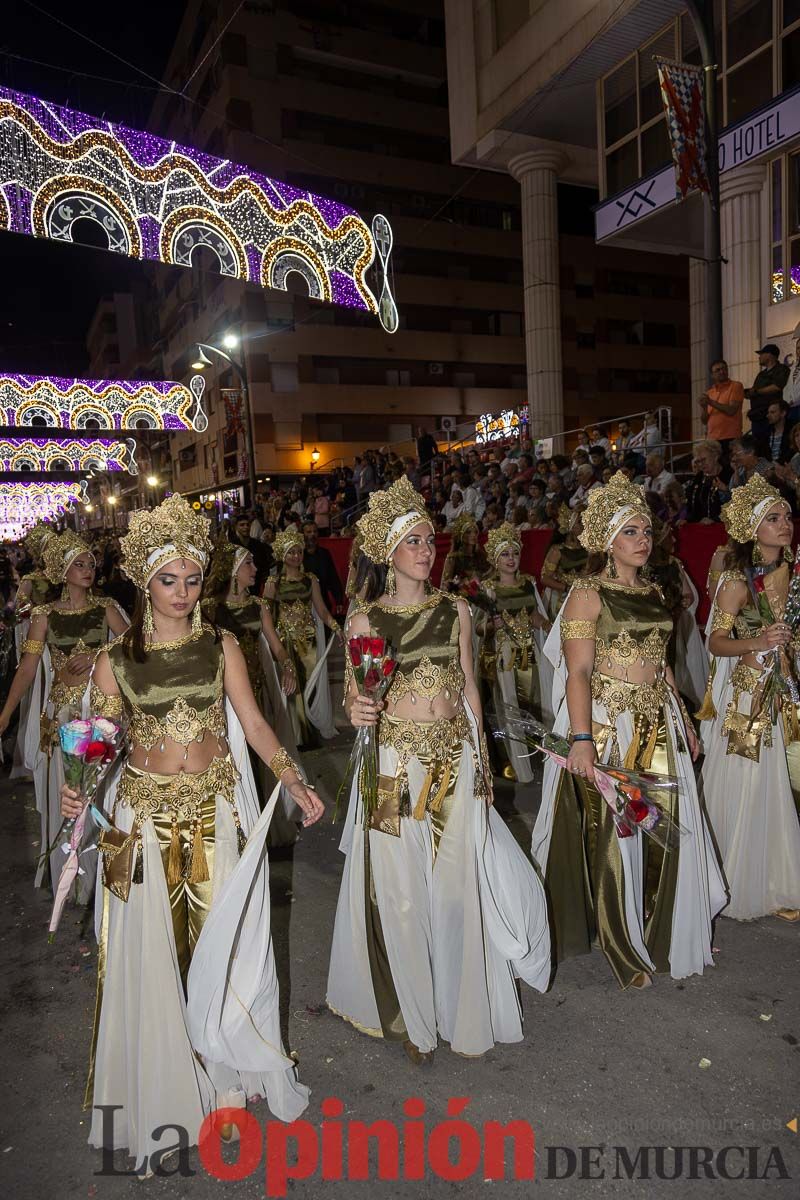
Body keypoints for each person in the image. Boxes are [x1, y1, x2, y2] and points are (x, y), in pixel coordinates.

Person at [58, 494, 322, 1169]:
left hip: (213, 814)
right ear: (145, 581)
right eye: (168, 580)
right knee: (150, 953)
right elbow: (100, 742)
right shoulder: (116, 658)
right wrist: (77, 789)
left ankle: (224, 1078)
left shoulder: (220, 644)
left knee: (219, 945)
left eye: (193, 579)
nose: (182, 593)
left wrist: (291, 778)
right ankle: (173, 1080)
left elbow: (256, 724)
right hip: (139, 820)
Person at [327, 478, 551, 1062]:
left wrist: (481, 763)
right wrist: (356, 710)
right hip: (393, 764)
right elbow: (354, 701)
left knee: (457, 889)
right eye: (413, 541)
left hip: (454, 757)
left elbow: (472, 691)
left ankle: (461, 1004)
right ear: (388, 552)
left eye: (430, 539)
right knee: (400, 892)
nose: (426, 550)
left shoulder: (456, 611)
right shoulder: (365, 621)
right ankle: (414, 1012)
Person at [532, 472, 726, 989]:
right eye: (630, 533)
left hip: (656, 719)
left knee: (664, 828)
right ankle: (621, 946)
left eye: (646, 531)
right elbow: (575, 671)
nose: (643, 541)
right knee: (619, 835)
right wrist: (581, 740)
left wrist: (684, 721)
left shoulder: (658, 592)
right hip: (611, 724)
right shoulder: (587, 593)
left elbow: (663, 667)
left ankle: (658, 929)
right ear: (607, 543)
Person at [0, 532, 129, 892]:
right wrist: (6, 713)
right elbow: (27, 668)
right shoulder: (43, 614)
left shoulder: (105, 608)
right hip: (62, 717)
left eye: (90, 563)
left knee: (100, 790)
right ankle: (72, 878)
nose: (88, 570)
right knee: (68, 794)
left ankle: (103, 877)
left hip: (99, 712)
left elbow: (133, 648)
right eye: (79, 564)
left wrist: (98, 655)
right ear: (63, 571)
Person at [700, 476, 800, 921]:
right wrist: (757, 641)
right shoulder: (737, 582)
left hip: (786, 691)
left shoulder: (793, 578)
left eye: (787, 517)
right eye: (774, 519)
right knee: (750, 783)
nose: (786, 525)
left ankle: (778, 878)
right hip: (749, 696)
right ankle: (738, 881)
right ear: (753, 529)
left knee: (780, 783)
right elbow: (716, 642)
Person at [202, 539, 303, 847]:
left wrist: (287, 666)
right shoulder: (209, 610)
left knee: (262, 760)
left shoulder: (259, 607)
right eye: (248, 564)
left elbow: (275, 646)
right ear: (233, 570)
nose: (254, 569)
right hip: (224, 700)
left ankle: (266, 825)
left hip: (256, 693)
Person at [476, 523, 552, 781]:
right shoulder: (489, 588)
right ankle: (516, 761)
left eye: (515, 553)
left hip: (530, 652)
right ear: (495, 559)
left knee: (537, 700)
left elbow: (533, 614)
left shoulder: (528, 583)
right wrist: (490, 625)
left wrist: (545, 623)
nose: (511, 559)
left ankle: (542, 754)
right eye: (505, 554)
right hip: (505, 654)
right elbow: (477, 627)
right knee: (509, 703)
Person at [264, 528, 341, 748]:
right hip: (285, 642)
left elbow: (322, 609)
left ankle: (310, 732)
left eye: (299, 552)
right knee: (293, 688)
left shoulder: (311, 580)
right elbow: (266, 615)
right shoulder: (273, 583)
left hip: (309, 642)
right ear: (282, 555)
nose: (296, 556)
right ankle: (299, 737)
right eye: (291, 553)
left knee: (311, 686)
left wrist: (336, 626)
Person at [540, 509, 589, 620]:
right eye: (580, 522)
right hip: (561, 599)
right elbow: (544, 578)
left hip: (583, 597)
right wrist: (566, 588)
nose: (584, 526)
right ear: (569, 526)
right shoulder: (557, 551)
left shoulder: (587, 550)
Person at [698, 359, 744, 459]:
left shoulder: (736, 386)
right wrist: (704, 407)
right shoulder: (709, 392)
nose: (722, 372)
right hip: (712, 440)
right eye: (718, 370)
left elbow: (731, 410)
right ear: (712, 375)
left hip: (731, 437)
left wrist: (710, 402)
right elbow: (704, 421)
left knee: (730, 468)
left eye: (724, 369)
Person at [745, 344, 791, 444]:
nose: (759, 357)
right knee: (758, 444)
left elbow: (777, 386)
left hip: (771, 415)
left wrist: (757, 391)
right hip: (757, 416)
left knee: (771, 443)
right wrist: (747, 393)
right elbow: (755, 390)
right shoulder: (761, 374)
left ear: (770, 355)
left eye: (762, 354)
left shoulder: (782, 369)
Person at [684, 440, 731, 523]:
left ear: (715, 456)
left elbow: (734, 505)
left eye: (704, 460)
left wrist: (715, 520)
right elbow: (692, 507)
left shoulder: (728, 475)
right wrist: (686, 520)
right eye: (698, 461)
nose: (701, 464)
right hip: (701, 528)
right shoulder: (698, 479)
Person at [302, 521, 344, 612]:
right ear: (302, 534)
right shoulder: (298, 556)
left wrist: (338, 600)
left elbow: (333, 577)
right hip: (303, 602)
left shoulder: (324, 554)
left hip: (323, 601)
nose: (312, 534)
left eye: (315, 531)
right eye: (309, 532)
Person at [440, 512, 489, 591]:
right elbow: (445, 583)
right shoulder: (453, 557)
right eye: (468, 532)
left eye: (475, 532)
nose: (473, 535)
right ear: (461, 536)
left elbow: (489, 575)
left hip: (480, 595)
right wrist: (460, 584)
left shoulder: (480, 556)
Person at [230, 512, 272, 593]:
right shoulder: (232, 546)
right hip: (238, 588)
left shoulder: (258, 545)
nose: (245, 527)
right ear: (236, 527)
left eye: (247, 524)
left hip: (256, 586)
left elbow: (265, 566)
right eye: (242, 525)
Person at [765, 399, 793, 465]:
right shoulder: (766, 432)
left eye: (772, 412)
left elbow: (791, 454)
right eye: (768, 412)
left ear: (783, 413)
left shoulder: (793, 430)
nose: (768, 416)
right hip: (768, 469)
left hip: (787, 468)